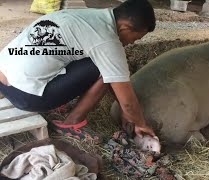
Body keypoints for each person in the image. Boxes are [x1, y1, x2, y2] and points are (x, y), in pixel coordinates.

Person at [0, 0, 156, 143]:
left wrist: (126, 112)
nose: (131, 43)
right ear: (125, 27)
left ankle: (52, 92)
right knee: (103, 68)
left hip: (3, 81)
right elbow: (126, 99)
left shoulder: (87, 17)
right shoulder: (107, 39)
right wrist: (139, 123)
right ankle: (71, 123)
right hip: (27, 97)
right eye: (135, 39)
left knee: (96, 61)